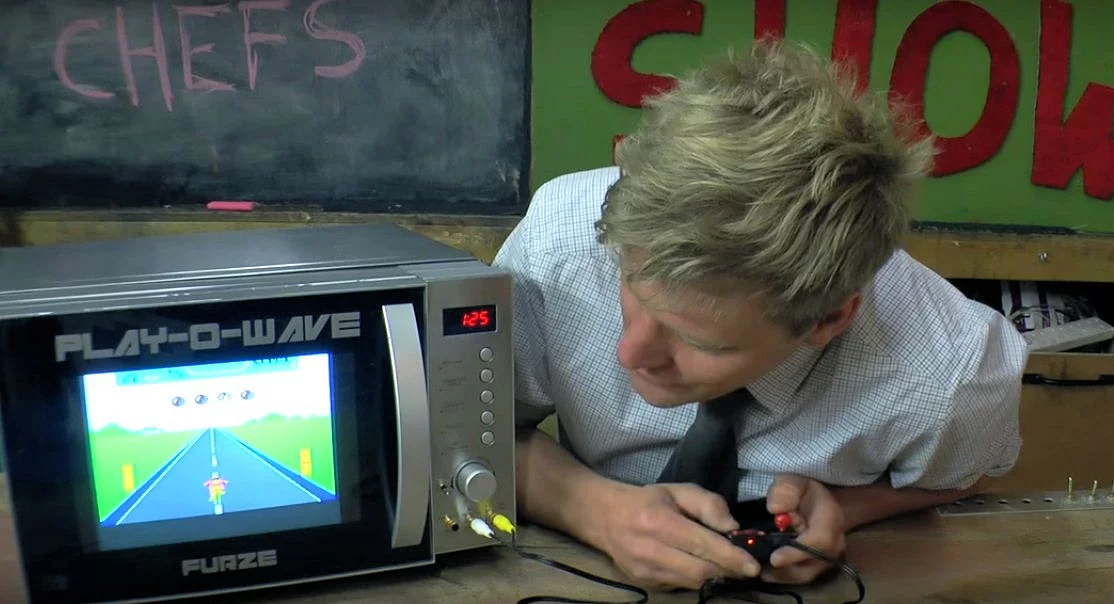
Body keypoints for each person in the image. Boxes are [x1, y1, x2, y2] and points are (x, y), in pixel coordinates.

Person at [492, 39, 1027, 591]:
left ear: (827, 320)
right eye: (629, 286)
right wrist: (594, 511)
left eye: (700, 341)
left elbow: (965, 475)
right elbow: (469, 436)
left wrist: (846, 508)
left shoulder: (951, 375)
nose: (630, 354)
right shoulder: (561, 244)